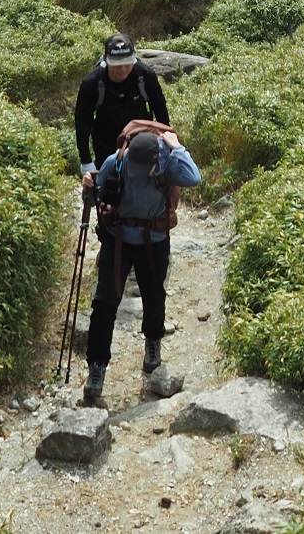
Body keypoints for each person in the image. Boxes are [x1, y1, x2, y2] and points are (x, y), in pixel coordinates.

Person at [82, 123, 200, 405]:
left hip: (153, 239)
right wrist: (89, 184)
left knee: (154, 295)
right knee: (104, 303)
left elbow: (194, 178)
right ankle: (96, 368)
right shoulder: (117, 161)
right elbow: (97, 191)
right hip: (118, 238)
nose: (134, 171)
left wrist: (175, 146)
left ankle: (153, 341)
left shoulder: (167, 162)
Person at [74, 33, 170, 186]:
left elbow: (160, 111)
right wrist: (86, 161)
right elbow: (82, 122)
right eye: (117, 63)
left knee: (142, 190)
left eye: (127, 62)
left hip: (142, 144)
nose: (123, 69)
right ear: (106, 59)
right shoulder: (92, 83)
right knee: (109, 195)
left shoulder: (144, 76)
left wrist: (167, 145)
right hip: (105, 147)